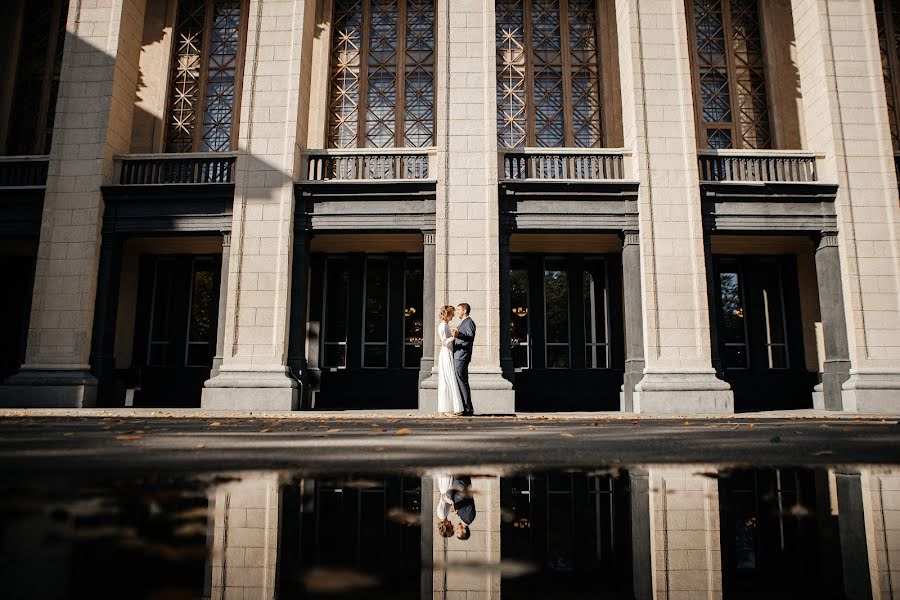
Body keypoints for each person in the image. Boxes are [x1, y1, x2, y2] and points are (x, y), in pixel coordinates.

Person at [437, 305, 464, 416]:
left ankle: (449, 408)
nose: (453, 316)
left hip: (448, 352)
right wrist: (454, 337)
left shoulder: (446, 325)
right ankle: (445, 410)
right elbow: (444, 342)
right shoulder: (443, 326)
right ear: (447, 315)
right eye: (452, 314)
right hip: (445, 353)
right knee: (446, 379)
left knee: (449, 379)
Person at [451, 303, 476, 416]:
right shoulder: (464, 323)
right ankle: (466, 407)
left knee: (462, 381)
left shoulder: (469, 322)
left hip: (461, 356)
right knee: (461, 381)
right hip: (459, 356)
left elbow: (470, 338)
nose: (457, 312)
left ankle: (467, 408)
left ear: (465, 311)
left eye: (459, 310)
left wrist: (458, 334)